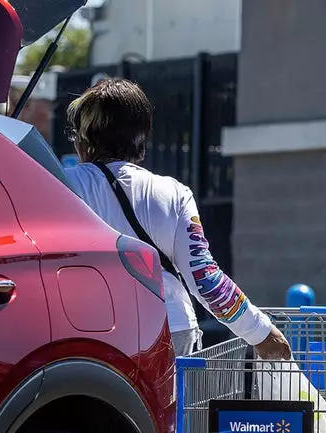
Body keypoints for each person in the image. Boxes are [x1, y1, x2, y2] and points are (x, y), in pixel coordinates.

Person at [62, 78, 290, 360]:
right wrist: (260, 332)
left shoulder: (58, 185)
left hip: (90, 332)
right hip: (169, 330)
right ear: (141, 135)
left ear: (86, 136)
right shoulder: (174, 193)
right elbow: (206, 279)